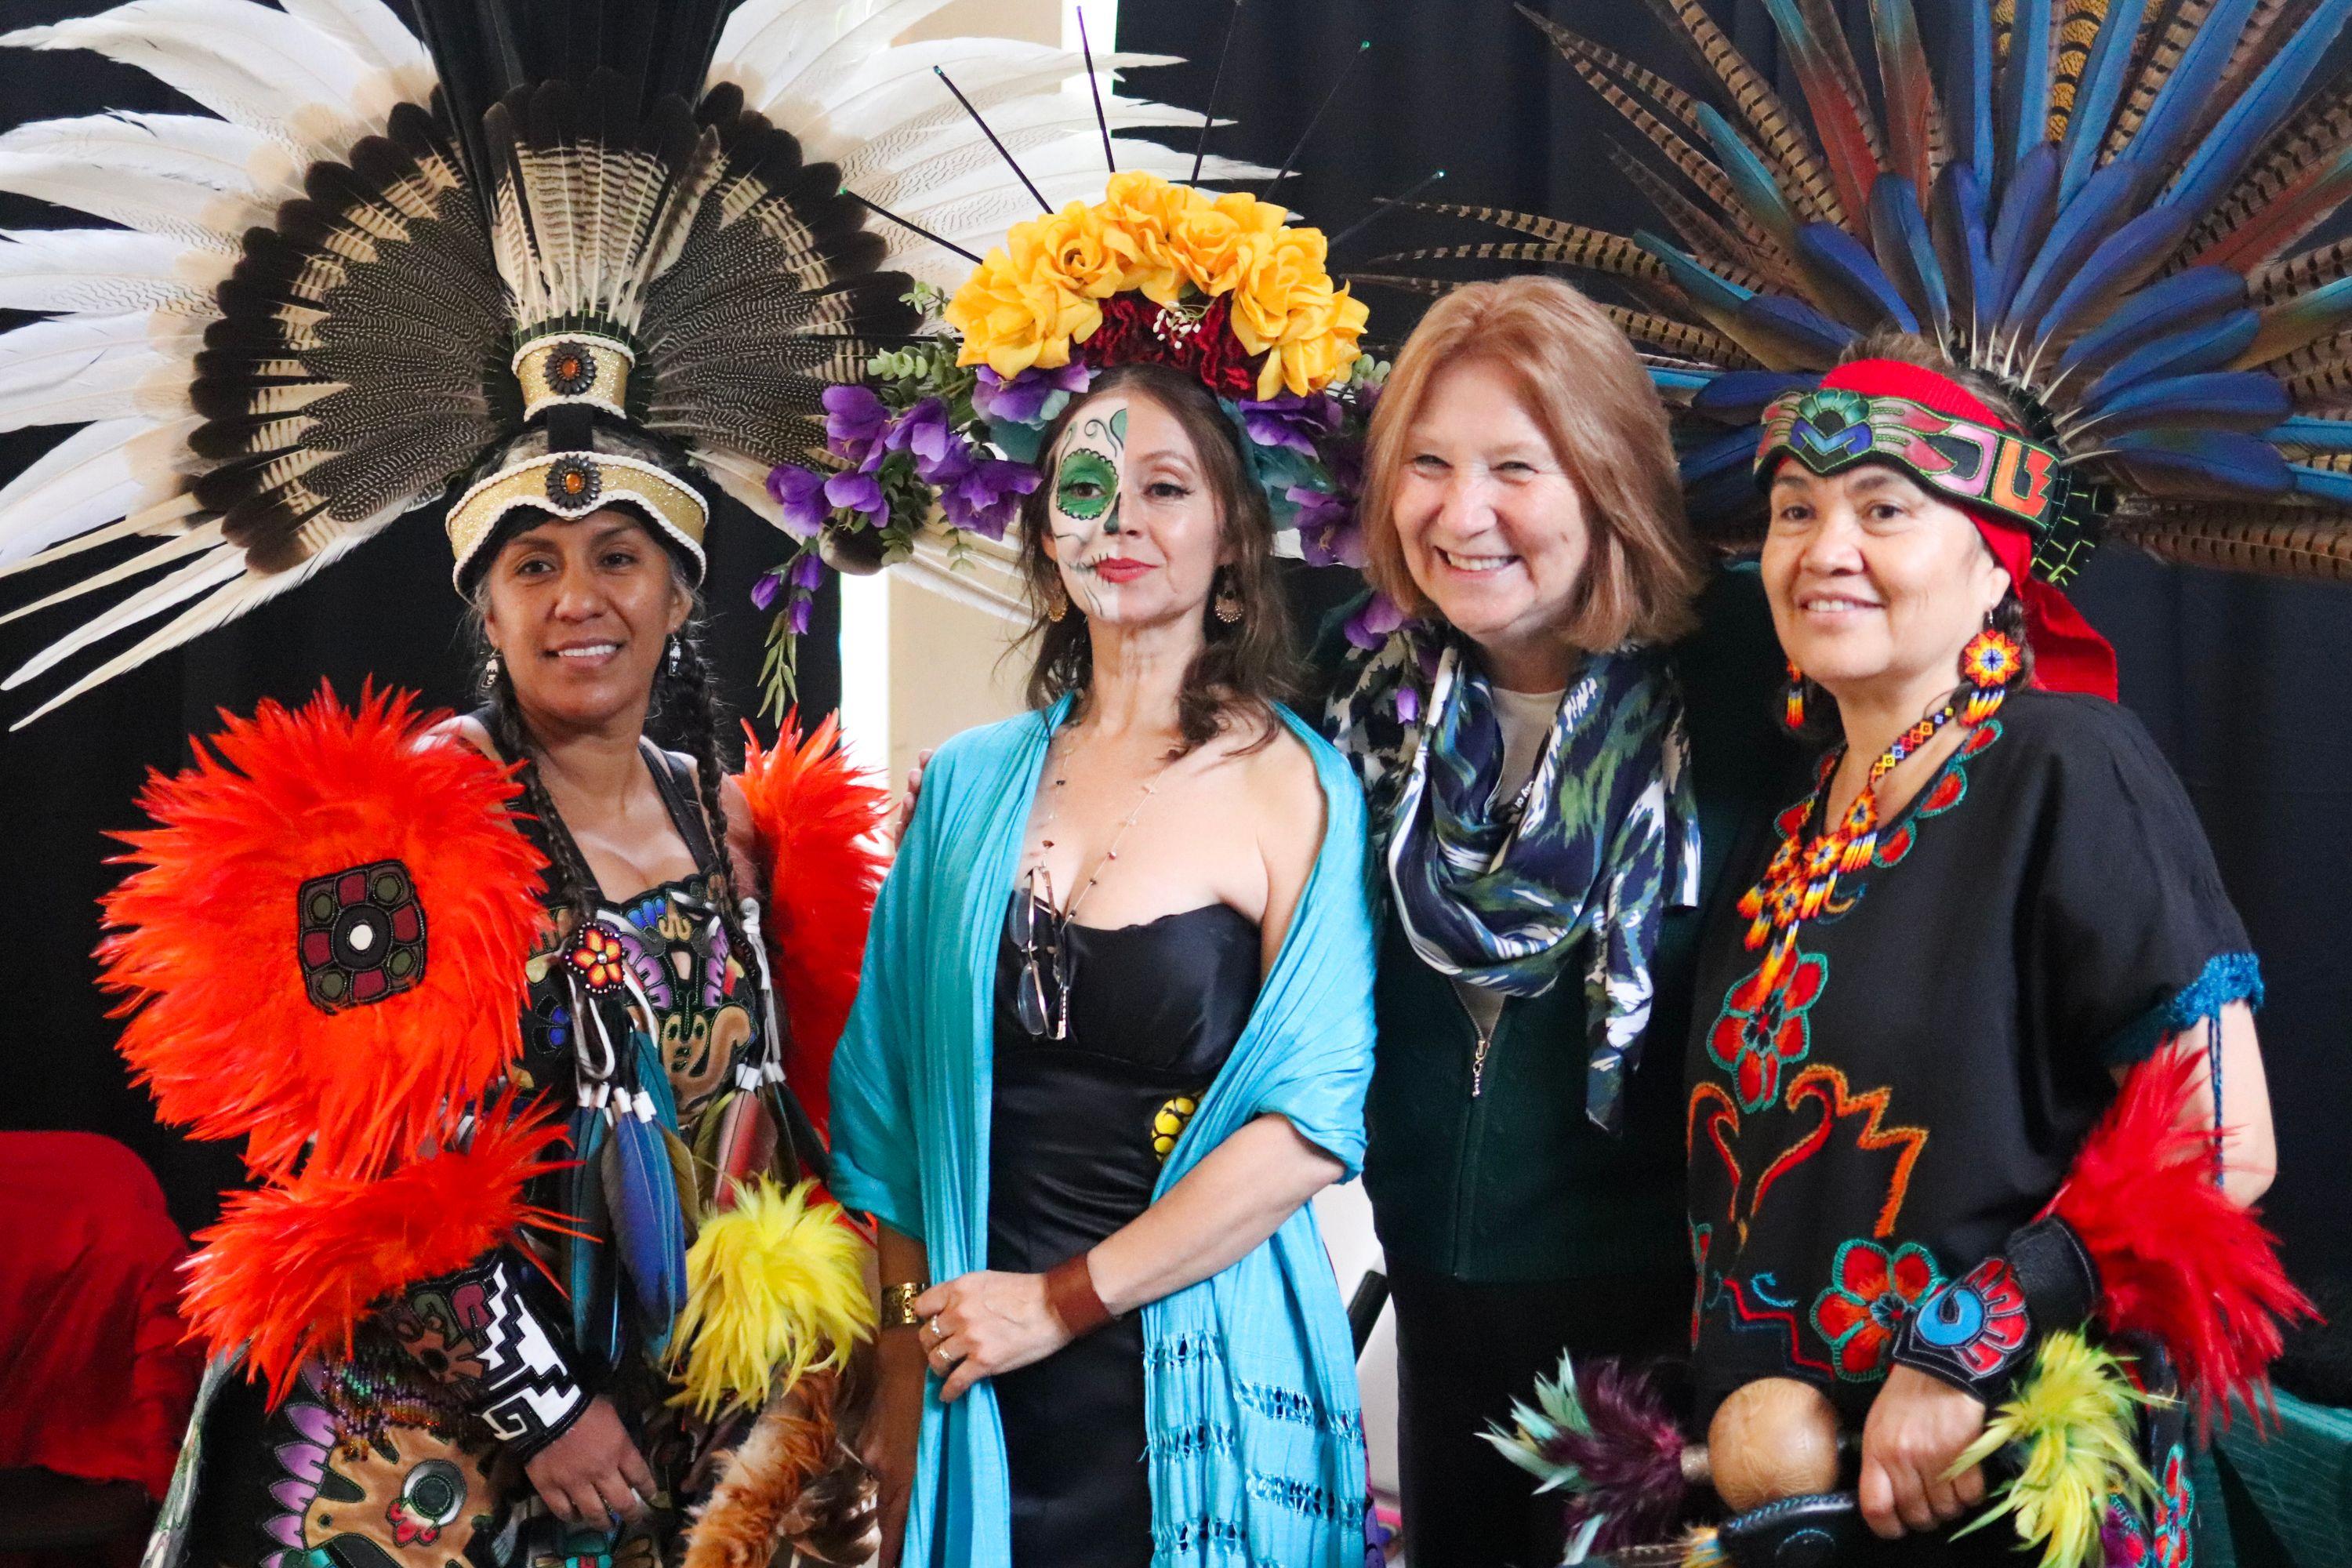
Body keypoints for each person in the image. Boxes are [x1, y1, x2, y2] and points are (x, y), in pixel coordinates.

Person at [1683, 343, 2285, 1559]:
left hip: (2009, 1488)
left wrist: (1965, 1348)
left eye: (1885, 509)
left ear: (1995, 556)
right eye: (1796, 510)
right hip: (1803, 1505)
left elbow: (2220, 1138)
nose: (1825, 549)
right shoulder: (1789, 825)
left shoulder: (2071, 766)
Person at [832, 361, 1381, 1568]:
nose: (1120, 519)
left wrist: (1061, 1303)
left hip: (1196, 1366)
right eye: (1086, 485)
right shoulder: (967, 784)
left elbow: (1308, 1129)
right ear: (1044, 537)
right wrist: (899, 1373)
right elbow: (889, 1119)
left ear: (1233, 535)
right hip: (975, 1376)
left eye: (1164, 487)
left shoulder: (1295, 789)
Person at [1321, 274, 1792, 1567]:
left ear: (1605, 479)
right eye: (1426, 462)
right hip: (1436, 1310)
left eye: (1513, 467)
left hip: (1668, 1346)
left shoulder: (1754, 683)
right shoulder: (1355, 695)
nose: (1460, 514)